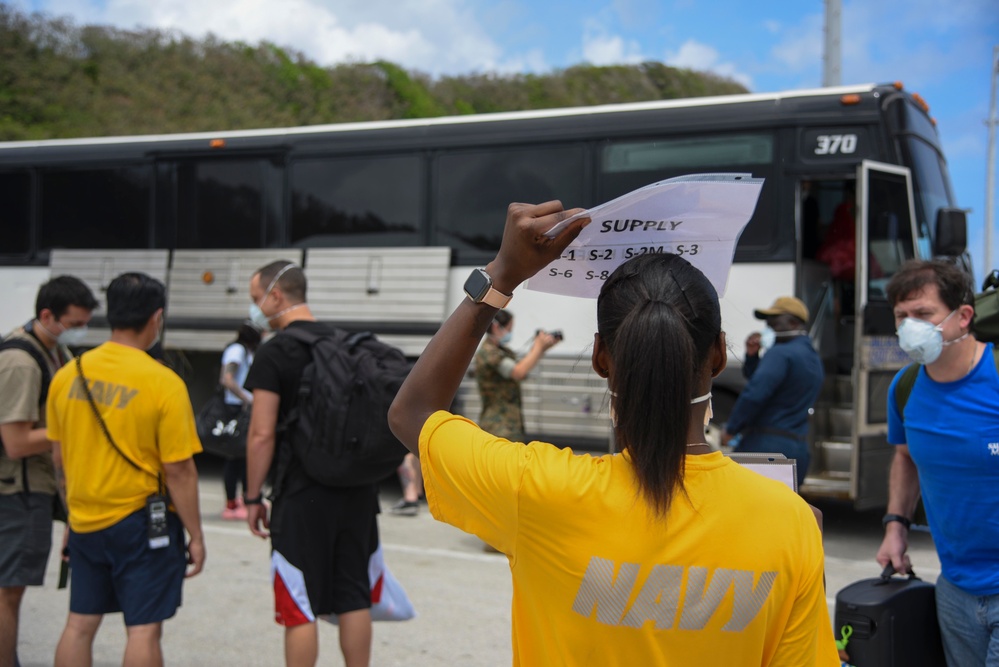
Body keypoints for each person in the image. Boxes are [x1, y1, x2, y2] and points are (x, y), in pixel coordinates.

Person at [388, 201, 839, 665]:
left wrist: (502, 274)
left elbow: (412, 413)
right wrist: (801, 548)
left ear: (601, 358)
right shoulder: (791, 523)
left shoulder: (537, 489)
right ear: (720, 355)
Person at [45, 272, 205, 667]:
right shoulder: (163, 383)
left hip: (85, 520)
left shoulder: (68, 375)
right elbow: (179, 470)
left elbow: (59, 458)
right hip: (140, 524)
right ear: (157, 317)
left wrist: (71, 516)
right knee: (143, 629)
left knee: (79, 624)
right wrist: (196, 535)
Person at [243, 260, 378, 667]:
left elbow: (261, 433)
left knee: (298, 603)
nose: (255, 308)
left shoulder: (276, 351)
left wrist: (253, 496)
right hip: (357, 490)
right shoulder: (345, 343)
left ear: (276, 296)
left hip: (301, 493)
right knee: (353, 596)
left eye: (256, 298)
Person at [876, 259, 999, 666]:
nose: (911, 326)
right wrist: (896, 527)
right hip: (955, 588)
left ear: (963, 316)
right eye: (902, 316)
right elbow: (905, 457)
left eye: (923, 313)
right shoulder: (905, 387)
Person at [0, 275, 97, 667]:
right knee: (8, 592)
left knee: (12, 590)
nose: (80, 331)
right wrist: (75, 425)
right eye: (74, 324)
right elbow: (16, 442)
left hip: (33, 488)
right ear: (46, 316)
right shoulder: (21, 362)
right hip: (15, 491)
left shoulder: (55, 351)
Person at [722, 296, 824, 487]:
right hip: (798, 449)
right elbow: (778, 386)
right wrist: (752, 358)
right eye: (768, 324)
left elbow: (755, 393)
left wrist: (731, 429)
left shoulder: (780, 353)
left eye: (775, 324)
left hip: (766, 448)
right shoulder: (812, 357)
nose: (769, 329)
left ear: (793, 323)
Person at [474, 309, 560, 444]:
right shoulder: (488, 353)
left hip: (509, 425)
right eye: (509, 329)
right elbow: (519, 372)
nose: (510, 333)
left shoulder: (502, 351)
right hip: (498, 428)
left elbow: (523, 367)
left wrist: (542, 348)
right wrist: (538, 347)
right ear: (496, 327)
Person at [218, 322, 262, 520]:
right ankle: (231, 503)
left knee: (245, 455)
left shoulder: (246, 351)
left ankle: (244, 498)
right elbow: (227, 379)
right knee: (234, 455)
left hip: (242, 407)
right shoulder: (237, 350)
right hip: (235, 408)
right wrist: (247, 398)